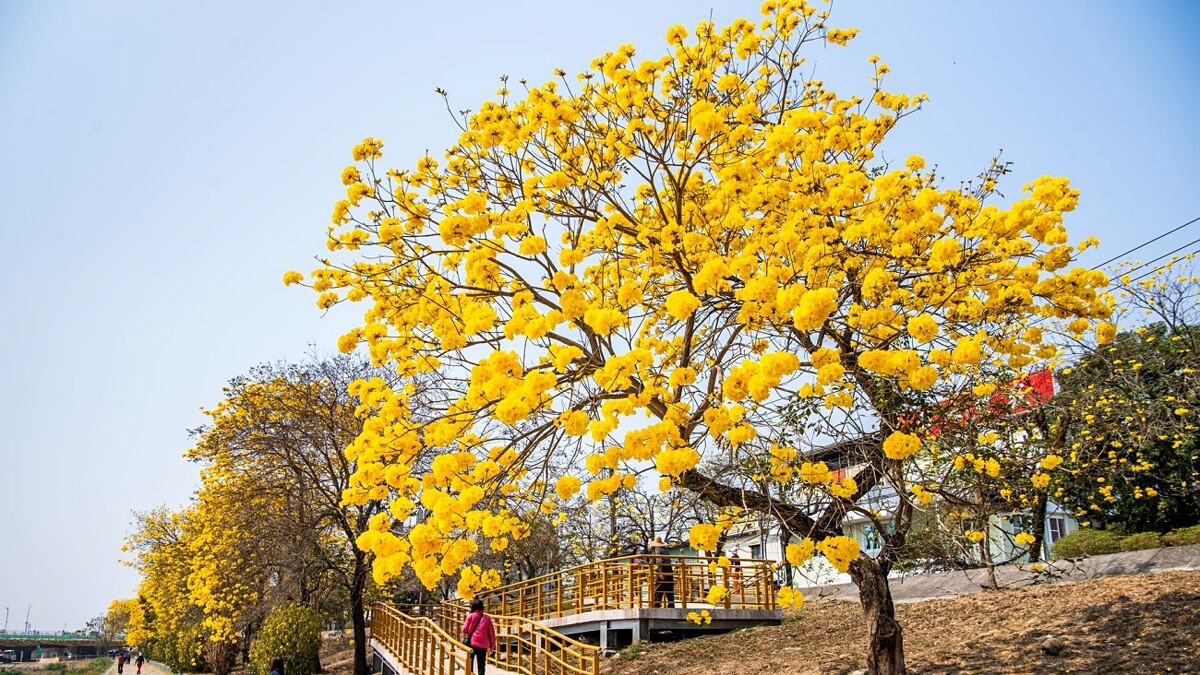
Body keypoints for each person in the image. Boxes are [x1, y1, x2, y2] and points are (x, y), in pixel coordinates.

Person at [460, 599, 496, 675]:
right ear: (482, 607)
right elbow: (491, 633)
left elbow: (464, 629)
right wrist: (492, 646)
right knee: (481, 666)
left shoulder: (470, 616)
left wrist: (463, 640)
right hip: (483, 645)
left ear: (473, 607)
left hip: (472, 643)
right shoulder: (487, 618)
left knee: (470, 663)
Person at [649, 536, 675, 608]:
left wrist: (660, 572)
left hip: (662, 570)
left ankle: (656, 604)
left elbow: (659, 561)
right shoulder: (666, 550)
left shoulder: (657, 550)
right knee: (669, 588)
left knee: (659, 588)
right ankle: (671, 604)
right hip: (669, 570)